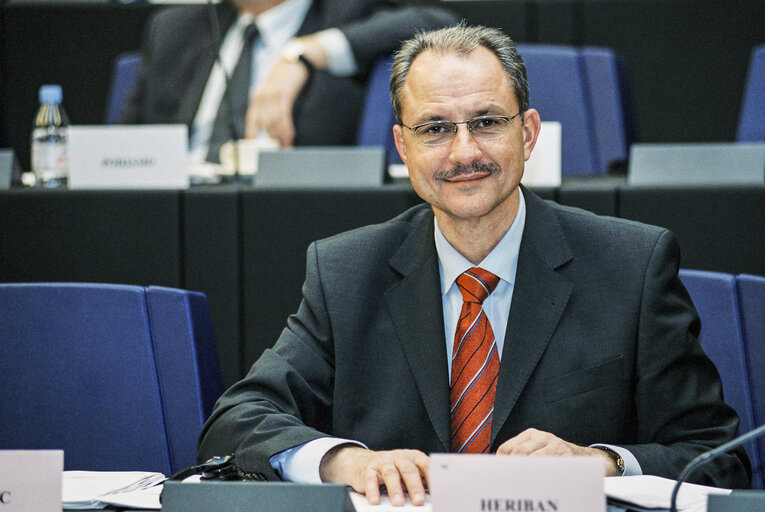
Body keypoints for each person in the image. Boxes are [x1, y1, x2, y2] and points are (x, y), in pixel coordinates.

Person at [197, 24, 751, 505]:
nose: (464, 152)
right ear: (402, 149)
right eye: (435, 128)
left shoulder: (632, 265)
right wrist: (345, 462)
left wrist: (599, 462)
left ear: (527, 133)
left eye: (487, 122)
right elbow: (237, 420)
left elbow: (716, 458)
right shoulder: (346, 272)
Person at [119, 0, 457, 164]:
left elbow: (439, 24)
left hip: (281, 217)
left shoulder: (347, 13)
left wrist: (306, 53)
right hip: (167, 214)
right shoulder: (174, 28)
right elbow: (124, 144)